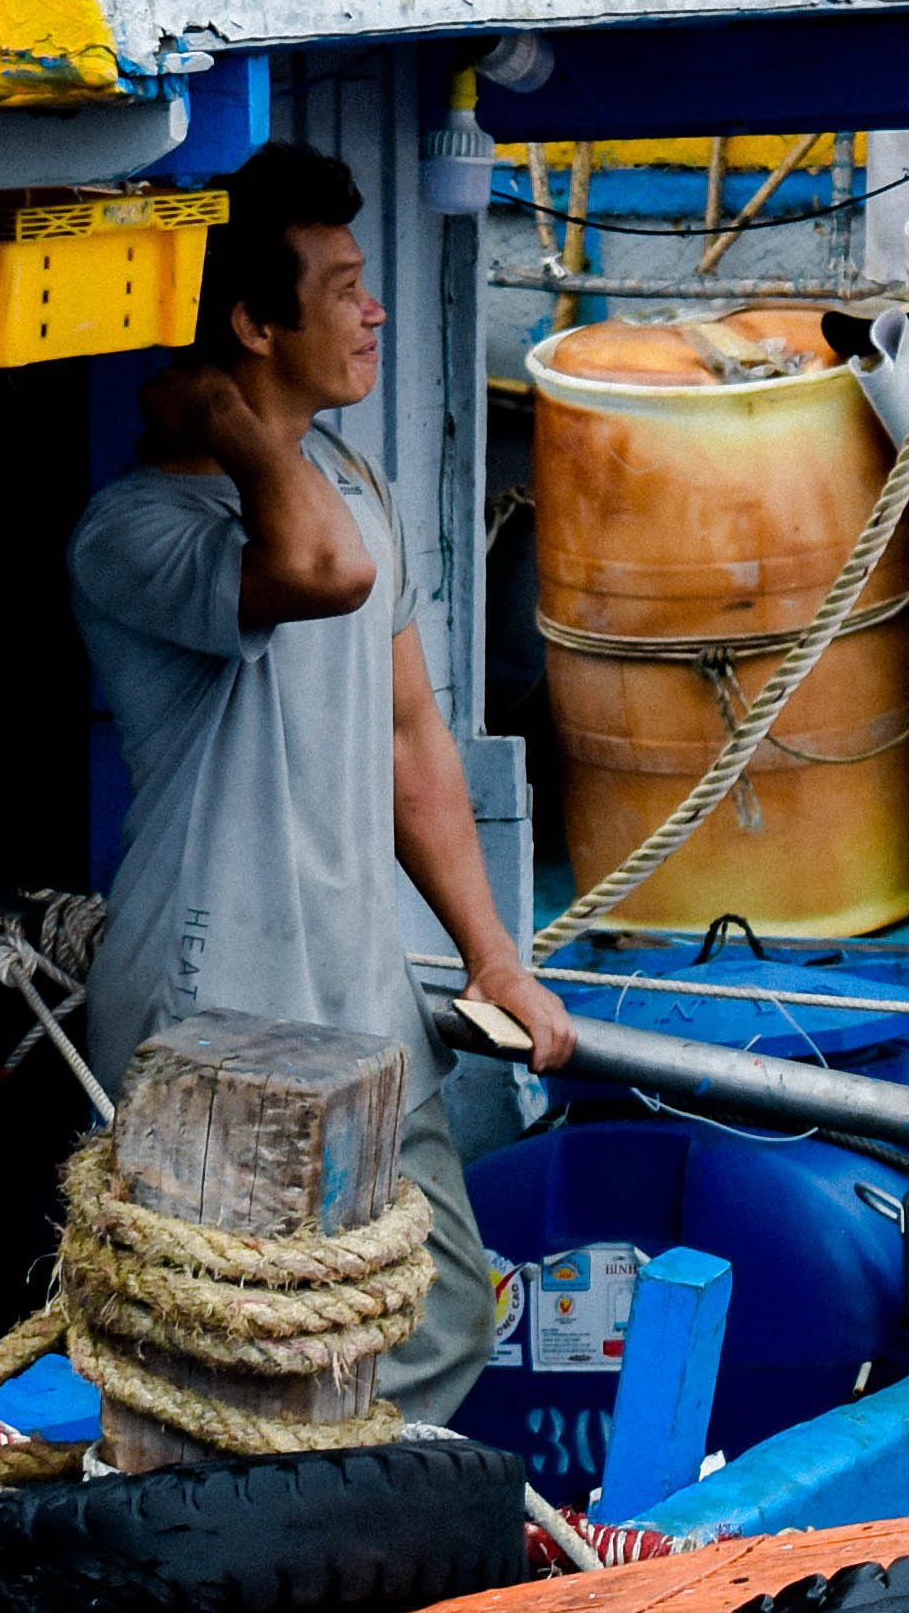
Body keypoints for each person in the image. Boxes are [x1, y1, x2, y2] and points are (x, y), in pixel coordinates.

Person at [69, 142, 576, 1423]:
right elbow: (317, 576)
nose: (375, 307)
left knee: (439, 1305)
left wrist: (492, 953)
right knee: (232, 1358)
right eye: (342, 286)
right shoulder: (134, 531)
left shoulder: (354, 487)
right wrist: (233, 428)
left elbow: (413, 740)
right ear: (251, 323)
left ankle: (337, 1537)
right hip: (214, 1007)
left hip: (361, 1003)